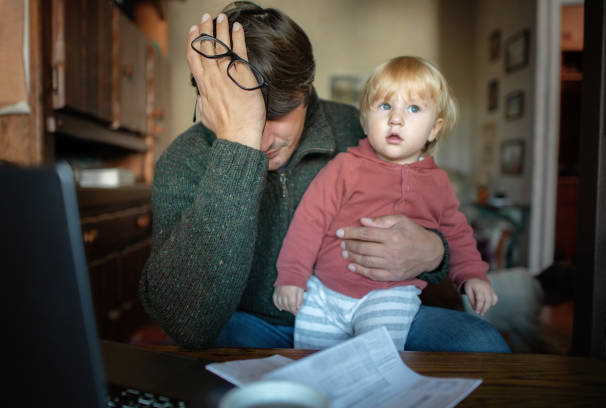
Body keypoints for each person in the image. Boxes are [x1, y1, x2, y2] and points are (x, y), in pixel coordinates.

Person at [139, 0, 510, 352]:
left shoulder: (359, 129)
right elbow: (188, 324)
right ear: (208, 100)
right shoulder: (183, 160)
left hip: (363, 311)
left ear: (305, 90)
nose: (262, 138)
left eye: (274, 116)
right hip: (247, 326)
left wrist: (435, 252)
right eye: (246, 119)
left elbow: (437, 215)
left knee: (481, 343)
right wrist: (236, 144)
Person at [273, 56, 498, 350]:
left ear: (434, 129)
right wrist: (292, 276)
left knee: (376, 359)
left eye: (414, 108)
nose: (396, 118)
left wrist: (472, 275)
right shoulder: (344, 167)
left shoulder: (437, 183)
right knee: (314, 364)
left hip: (389, 295)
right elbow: (309, 221)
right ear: (366, 121)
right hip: (324, 293)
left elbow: (456, 234)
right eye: (385, 106)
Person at [461, 263, 575, 353]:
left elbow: (517, 331)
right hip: (467, 311)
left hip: (465, 292)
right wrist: (556, 352)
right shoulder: (529, 305)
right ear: (557, 296)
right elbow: (534, 338)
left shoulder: (523, 273)